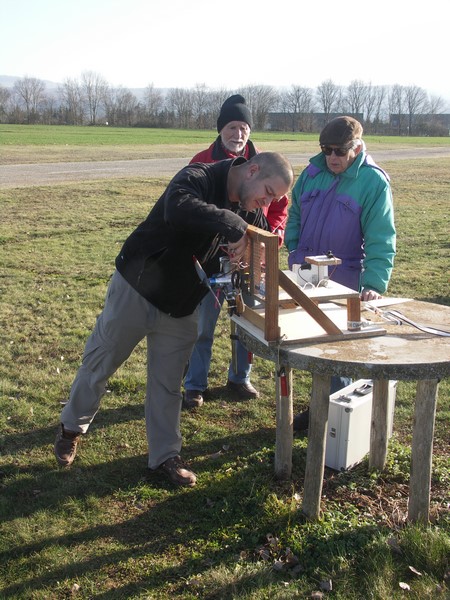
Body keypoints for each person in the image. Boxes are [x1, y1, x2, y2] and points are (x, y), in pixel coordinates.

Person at [54, 151, 294, 487]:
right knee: (100, 363)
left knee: (168, 386)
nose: (265, 203)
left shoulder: (251, 208)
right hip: (138, 288)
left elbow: (264, 235)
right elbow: (178, 207)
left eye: (274, 198)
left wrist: (249, 253)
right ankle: (71, 429)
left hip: (182, 305)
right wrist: (236, 224)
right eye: (267, 192)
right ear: (252, 170)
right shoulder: (199, 176)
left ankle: (164, 458)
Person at [284, 116, 396, 431]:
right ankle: (324, 405)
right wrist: (293, 247)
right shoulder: (311, 173)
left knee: (340, 350)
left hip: (344, 279)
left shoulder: (373, 182)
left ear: (356, 147)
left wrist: (374, 283)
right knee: (312, 344)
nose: (332, 157)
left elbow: (381, 237)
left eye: (339, 151)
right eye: (327, 150)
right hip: (305, 272)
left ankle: (342, 417)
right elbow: (295, 212)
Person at [183, 95, 289, 409]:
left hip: (252, 258)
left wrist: (271, 237)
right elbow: (192, 209)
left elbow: (281, 208)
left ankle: (240, 377)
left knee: (247, 319)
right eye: (232, 127)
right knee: (204, 324)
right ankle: (194, 385)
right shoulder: (202, 160)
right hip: (211, 258)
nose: (238, 134)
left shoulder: (265, 163)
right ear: (220, 130)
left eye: (244, 128)